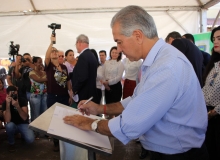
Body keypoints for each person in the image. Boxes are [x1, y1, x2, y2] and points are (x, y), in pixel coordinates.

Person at [63, 5, 208, 160]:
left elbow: (129, 124)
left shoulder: (166, 66)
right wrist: (100, 108)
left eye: (119, 42)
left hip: (179, 155)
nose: (118, 49)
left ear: (138, 35)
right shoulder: (157, 60)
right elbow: (136, 100)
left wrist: (89, 124)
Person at [45, 35, 73, 151]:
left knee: (64, 118)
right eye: (53, 52)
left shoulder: (64, 67)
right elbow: (46, 56)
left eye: (56, 51)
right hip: (52, 97)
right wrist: (51, 43)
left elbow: (67, 81)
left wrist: (70, 93)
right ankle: (56, 142)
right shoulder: (48, 66)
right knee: (54, 119)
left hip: (64, 96)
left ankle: (64, 140)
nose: (54, 53)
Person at [202, 26, 220, 160]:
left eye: (219, 38)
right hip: (209, 116)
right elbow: (207, 88)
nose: (216, 42)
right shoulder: (215, 65)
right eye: (214, 39)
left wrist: (213, 113)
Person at [2, 86, 34, 152]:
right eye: (12, 94)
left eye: (15, 94)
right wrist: (8, 105)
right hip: (12, 124)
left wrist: (17, 106)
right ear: (8, 95)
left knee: (30, 140)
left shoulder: (22, 100)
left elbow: (25, 117)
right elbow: (7, 120)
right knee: (9, 126)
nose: (14, 96)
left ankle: (22, 134)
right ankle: (11, 143)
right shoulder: (5, 103)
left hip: (23, 123)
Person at [71, 34, 98, 103]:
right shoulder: (91, 55)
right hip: (91, 93)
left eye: (75, 44)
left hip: (84, 95)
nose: (76, 47)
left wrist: (74, 90)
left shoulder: (83, 56)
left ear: (79, 42)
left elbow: (83, 77)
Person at [29, 57, 47, 138]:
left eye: (41, 62)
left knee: (45, 113)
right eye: (39, 62)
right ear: (35, 63)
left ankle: (44, 131)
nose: (40, 63)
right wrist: (47, 79)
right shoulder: (31, 72)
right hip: (35, 96)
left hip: (44, 95)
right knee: (36, 114)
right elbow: (38, 80)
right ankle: (35, 132)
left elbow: (43, 79)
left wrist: (45, 78)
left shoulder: (43, 72)